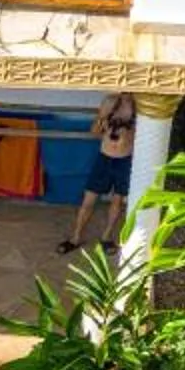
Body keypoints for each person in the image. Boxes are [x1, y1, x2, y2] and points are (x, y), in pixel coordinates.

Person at [61, 92, 138, 252]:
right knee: (88, 200)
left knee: (117, 201)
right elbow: (94, 131)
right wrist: (104, 121)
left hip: (125, 159)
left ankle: (106, 237)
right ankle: (76, 237)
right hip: (105, 158)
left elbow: (141, 137)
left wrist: (127, 131)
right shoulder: (110, 102)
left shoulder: (139, 105)